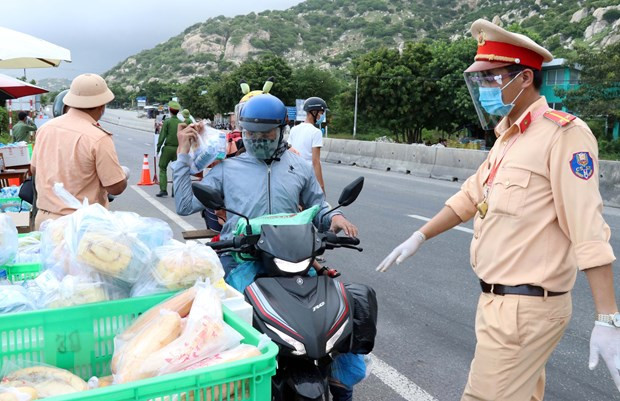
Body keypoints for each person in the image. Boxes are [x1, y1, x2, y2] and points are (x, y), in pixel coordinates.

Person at [377, 19, 619, 400]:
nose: (485, 87)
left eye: (491, 77)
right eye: (480, 80)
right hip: (498, 302)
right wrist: (420, 235)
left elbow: (588, 227)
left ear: (523, 78)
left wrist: (608, 318)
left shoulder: (564, 134)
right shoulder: (508, 138)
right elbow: (470, 198)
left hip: (526, 308)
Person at [173, 93, 358, 400]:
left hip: (294, 260)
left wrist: (335, 217)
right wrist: (183, 155)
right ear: (243, 132)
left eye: (266, 135)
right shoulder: (227, 169)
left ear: (282, 132)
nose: (258, 141)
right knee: (225, 326)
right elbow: (183, 204)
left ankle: (339, 385)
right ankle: (233, 385)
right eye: (251, 135)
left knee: (338, 318)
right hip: (243, 258)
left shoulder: (298, 166)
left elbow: (318, 206)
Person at [30, 73, 129, 229]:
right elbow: (115, 187)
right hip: (80, 227)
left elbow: (34, 169)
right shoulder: (98, 137)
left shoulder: (45, 129)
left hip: (45, 222)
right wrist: (123, 174)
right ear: (102, 105)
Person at [288, 97, 327, 193]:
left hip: (294, 176)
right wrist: (321, 186)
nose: (321, 116)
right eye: (321, 113)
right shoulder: (316, 132)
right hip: (308, 178)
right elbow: (315, 161)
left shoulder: (294, 129)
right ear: (314, 112)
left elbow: (290, 151)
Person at [156, 100, 183, 197]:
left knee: (162, 168)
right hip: (178, 150)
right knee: (176, 170)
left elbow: (162, 137)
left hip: (167, 149)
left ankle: (163, 190)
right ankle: (175, 191)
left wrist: (158, 148)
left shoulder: (167, 122)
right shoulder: (181, 123)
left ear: (169, 110)